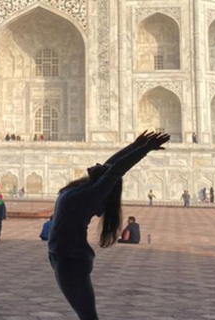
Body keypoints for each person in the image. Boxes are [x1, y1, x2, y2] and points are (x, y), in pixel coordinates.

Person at [48, 131, 169, 320]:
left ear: (105, 183)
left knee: (88, 315)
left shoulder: (91, 197)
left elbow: (116, 170)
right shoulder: (84, 188)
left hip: (72, 260)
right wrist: (134, 145)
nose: (98, 165)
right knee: (86, 314)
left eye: (102, 170)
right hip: (62, 256)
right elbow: (110, 166)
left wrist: (144, 150)